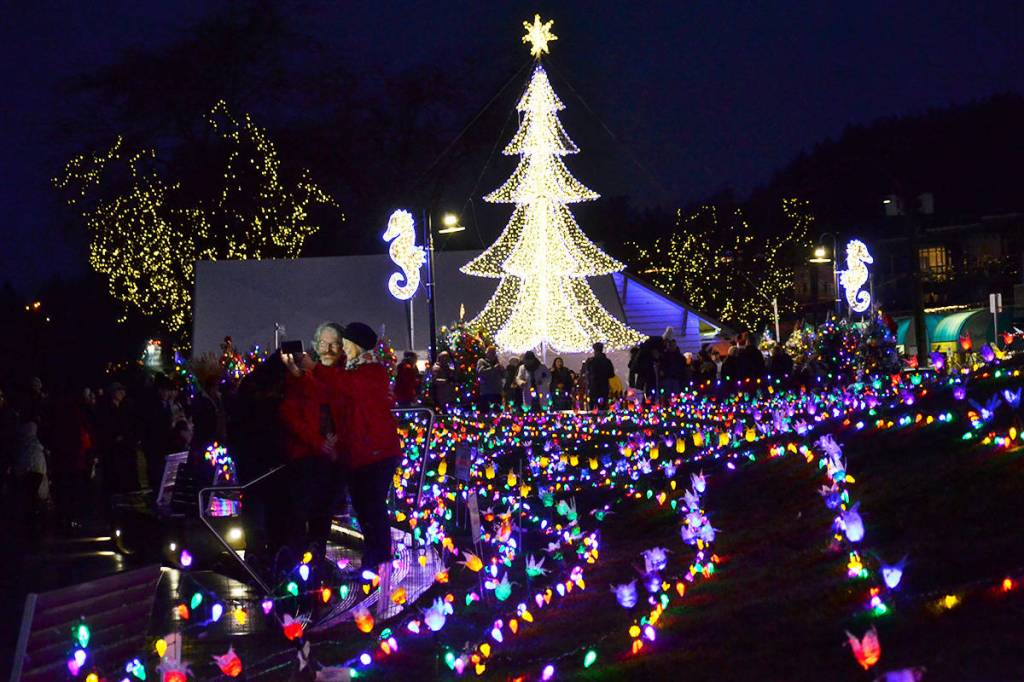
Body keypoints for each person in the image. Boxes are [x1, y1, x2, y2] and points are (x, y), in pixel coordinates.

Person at [335, 322, 402, 616]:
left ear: (357, 346)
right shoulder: (356, 371)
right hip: (362, 452)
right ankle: (373, 559)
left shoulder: (369, 372)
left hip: (376, 452)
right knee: (365, 509)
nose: (343, 347)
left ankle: (381, 561)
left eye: (347, 342)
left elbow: (348, 391)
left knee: (372, 508)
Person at [279, 321, 347, 569]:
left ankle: (313, 560)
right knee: (301, 513)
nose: (328, 349)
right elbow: (293, 415)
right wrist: (320, 443)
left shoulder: (336, 374)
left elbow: (339, 400)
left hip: (328, 456)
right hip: (308, 455)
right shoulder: (300, 379)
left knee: (321, 513)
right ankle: (298, 564)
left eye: (333, 344)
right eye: (323, 343)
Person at [15, 420, 49, 525]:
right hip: (37, 471)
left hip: (26, 471)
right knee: (33, 496)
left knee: (28, 497)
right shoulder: (37, 446)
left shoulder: (23, 444)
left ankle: (29, 521)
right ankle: (33, 520)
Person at [583, 342, 615, 409]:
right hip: (604, 387)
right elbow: (611, 374)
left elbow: (586, 373)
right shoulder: (607, 361)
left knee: (593, 407)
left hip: (593, 387)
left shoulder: (591, 361)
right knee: (603, 406)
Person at [476, 347, 504, 412]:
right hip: (486, 392)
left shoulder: (498, 363)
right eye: (491, 353)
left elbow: (504, 376)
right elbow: (481, 372)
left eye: (494, 353)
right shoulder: (482, 361)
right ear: (487, 353)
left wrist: (502, 370)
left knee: (497, 412)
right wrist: (493, 369)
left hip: (497, 392)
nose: (492, 355)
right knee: (486, 412)